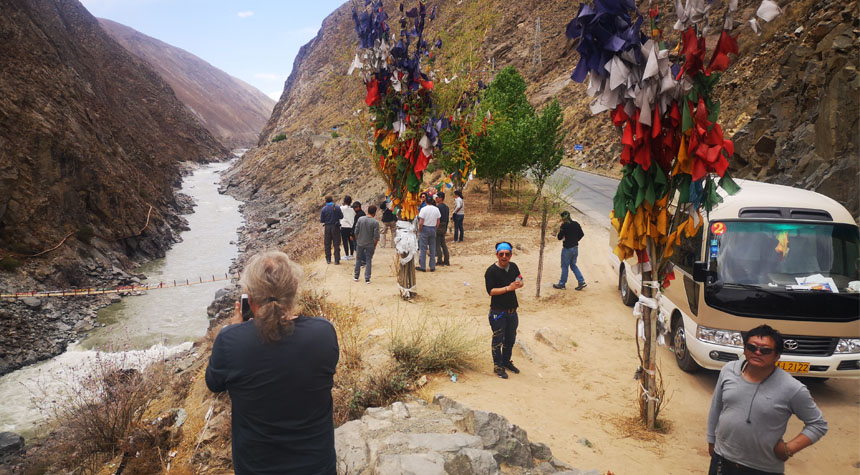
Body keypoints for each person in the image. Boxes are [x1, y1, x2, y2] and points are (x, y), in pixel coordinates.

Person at [205, 251, 340, 474]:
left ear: (249, 296)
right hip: (318, 467)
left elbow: (214, 383)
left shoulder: (230, 341)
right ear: (295, 287)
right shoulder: (323, 333)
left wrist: (235, 328)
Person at [707, 325, 828, 475]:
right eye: (752, 347)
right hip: (722, 460)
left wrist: (789, 449)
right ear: (744, 349)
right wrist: (711, 440)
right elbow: (716, 407)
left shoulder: (792, 388)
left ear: (777, 356)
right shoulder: (729, 370)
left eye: (765, 350)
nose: (757, 352)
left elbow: (818, 424)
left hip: (762, 469)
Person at [484, 242, 524, 379]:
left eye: (507, 254)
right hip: (498, 312)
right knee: (498, 340)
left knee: (510, 339)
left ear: (511, 255)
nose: (504, 257)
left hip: (512, 311)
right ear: (497, 255)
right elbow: (491, 291)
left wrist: (520, 282)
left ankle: (506, 361)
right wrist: (508, 288)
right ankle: (498, 366)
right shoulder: (491, 271)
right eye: (501, 254)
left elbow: (519, 277)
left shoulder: (513, 267)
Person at [552, 210, 586, 290]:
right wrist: (575, 240)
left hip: (567, 249)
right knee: (573, 265)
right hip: (575, 248)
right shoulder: (576, 224)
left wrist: (561, 229)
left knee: (564, 266)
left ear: (563, 218)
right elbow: (582, 234)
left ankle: (562, 284)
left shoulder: (564, 226)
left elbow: (559, 237)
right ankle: (581, 281)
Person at [353, 204, 380, 283]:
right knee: (368, 260)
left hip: (360, 243)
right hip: (370, 244)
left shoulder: (361, 219)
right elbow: (376, 236)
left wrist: (358, 240)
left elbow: (356, 231)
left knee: (358, 259)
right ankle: (367, 278)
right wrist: (374, 245)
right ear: (374, 213)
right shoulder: (375, 222)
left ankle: (356, 276)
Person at [416, 195, 440, 272]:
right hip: (433, 228)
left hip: (425, 228)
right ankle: (432, 266)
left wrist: (420, 230)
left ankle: (423, 266)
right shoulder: (436, 209)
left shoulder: (423, 209)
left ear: (426, 201)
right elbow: (438, 221)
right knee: (432, 248)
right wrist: (435, 228)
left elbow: (421, 222)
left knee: (423, 248)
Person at [319, 196, 343, 265]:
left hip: (327, 227)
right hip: (335, 227)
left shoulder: (324, 209)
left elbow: (322, 220)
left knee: (327, 243)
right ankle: (337, 260)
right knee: (336, 244)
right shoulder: (337, 207)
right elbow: (341, 216)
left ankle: (328, 259)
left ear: (326, 201)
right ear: (332, 200)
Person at [435, 192, 450, 266]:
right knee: (443, 244)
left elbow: (437, 219)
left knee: (437, 244)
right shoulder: (446, 207)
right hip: (444, 226)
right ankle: (447, 260)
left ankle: (439, 260)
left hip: (438, 226)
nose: (436, 199)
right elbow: (447, 219)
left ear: (440, 198)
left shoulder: (438, 207)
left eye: (437, 197)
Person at [339, 195, 356, 261]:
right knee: (351, 241)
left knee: (345, 241)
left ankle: (346, 255)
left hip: (344, 226)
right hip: (351, 226)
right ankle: (351, 254)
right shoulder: (353, 209)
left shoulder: (342, 208)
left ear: (344, 201)